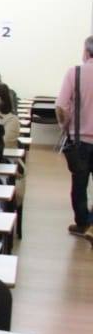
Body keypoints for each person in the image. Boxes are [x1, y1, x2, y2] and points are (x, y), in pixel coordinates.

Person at [56, 35, 93, 239]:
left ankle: (82, 223)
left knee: (79, 182)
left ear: (86, 52)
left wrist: (65, 126)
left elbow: (62, 106)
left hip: (80, 140)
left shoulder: (75, 73)